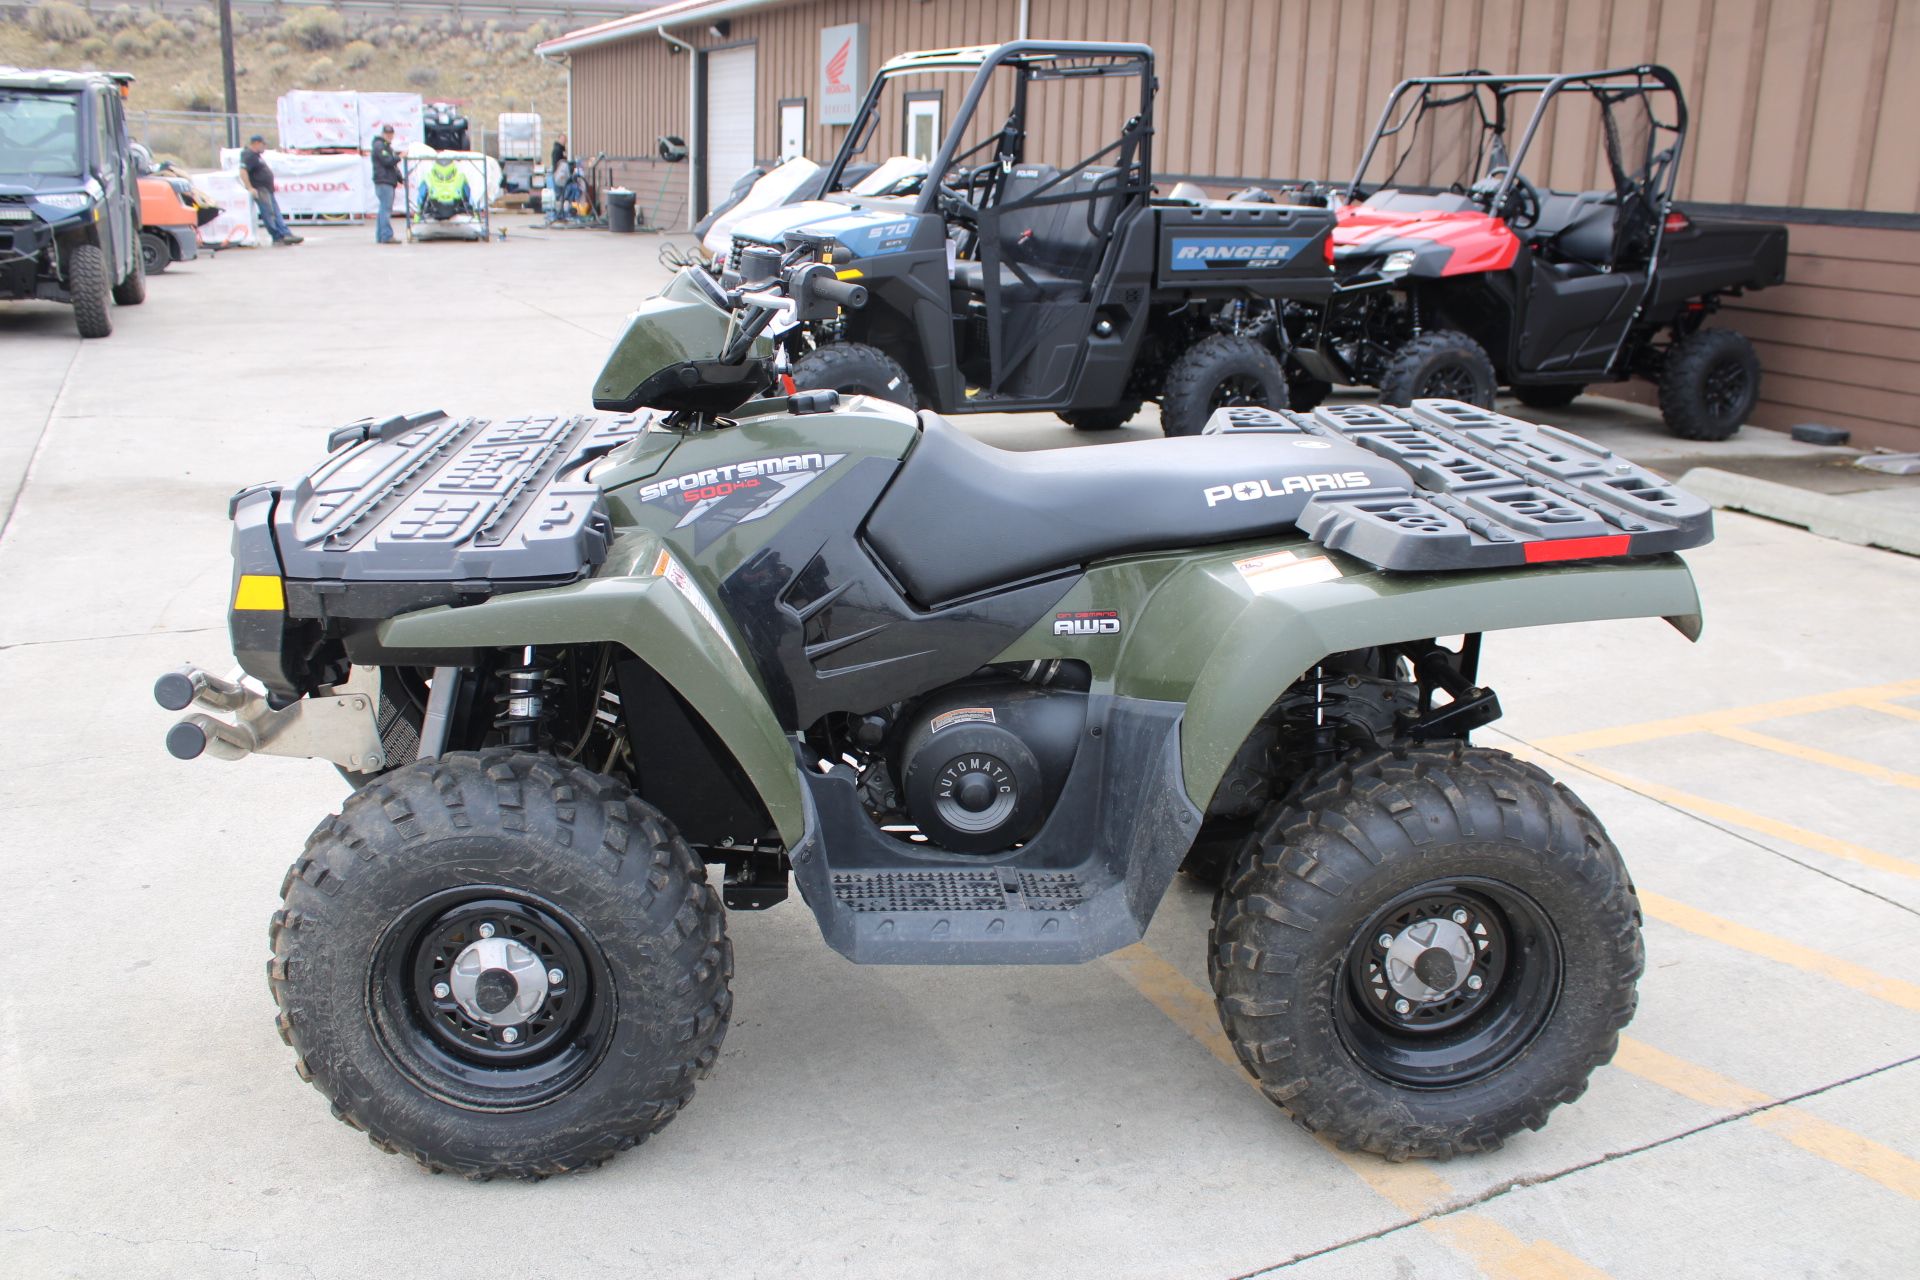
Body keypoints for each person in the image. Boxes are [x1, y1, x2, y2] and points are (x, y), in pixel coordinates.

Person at [237, 136, 301, 247]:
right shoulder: (249, 155)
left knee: (275, 212)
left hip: (266, 189)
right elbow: (243, 171)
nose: (265, 147)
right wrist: (250, 187)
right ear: (256, 143)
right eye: (263, 144)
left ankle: (285, 234)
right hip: (260, 189)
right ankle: (278, 236)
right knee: (269, 213)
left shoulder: (256, 156)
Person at [370, 124, 402, 245]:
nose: (389, 136)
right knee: (385, 209)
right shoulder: (379, 146)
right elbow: (387, 161)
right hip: (384, 181)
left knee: (383, 209)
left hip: (386, 180)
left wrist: (400, 178)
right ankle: (386, 235)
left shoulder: (386, 146)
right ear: (383, 134)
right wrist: (400, 157)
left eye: (391, 134)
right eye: (387, 134)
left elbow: (392, 165)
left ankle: (381, 235)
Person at [417, 152, 472, 218]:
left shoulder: (460, 177)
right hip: (435, 201)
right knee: (424, 186)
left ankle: (470, 212)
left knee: (463, 184)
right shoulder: (428, 177)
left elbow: (468, 193)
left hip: (455, 201)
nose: (444, 163)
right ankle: (419, 213)